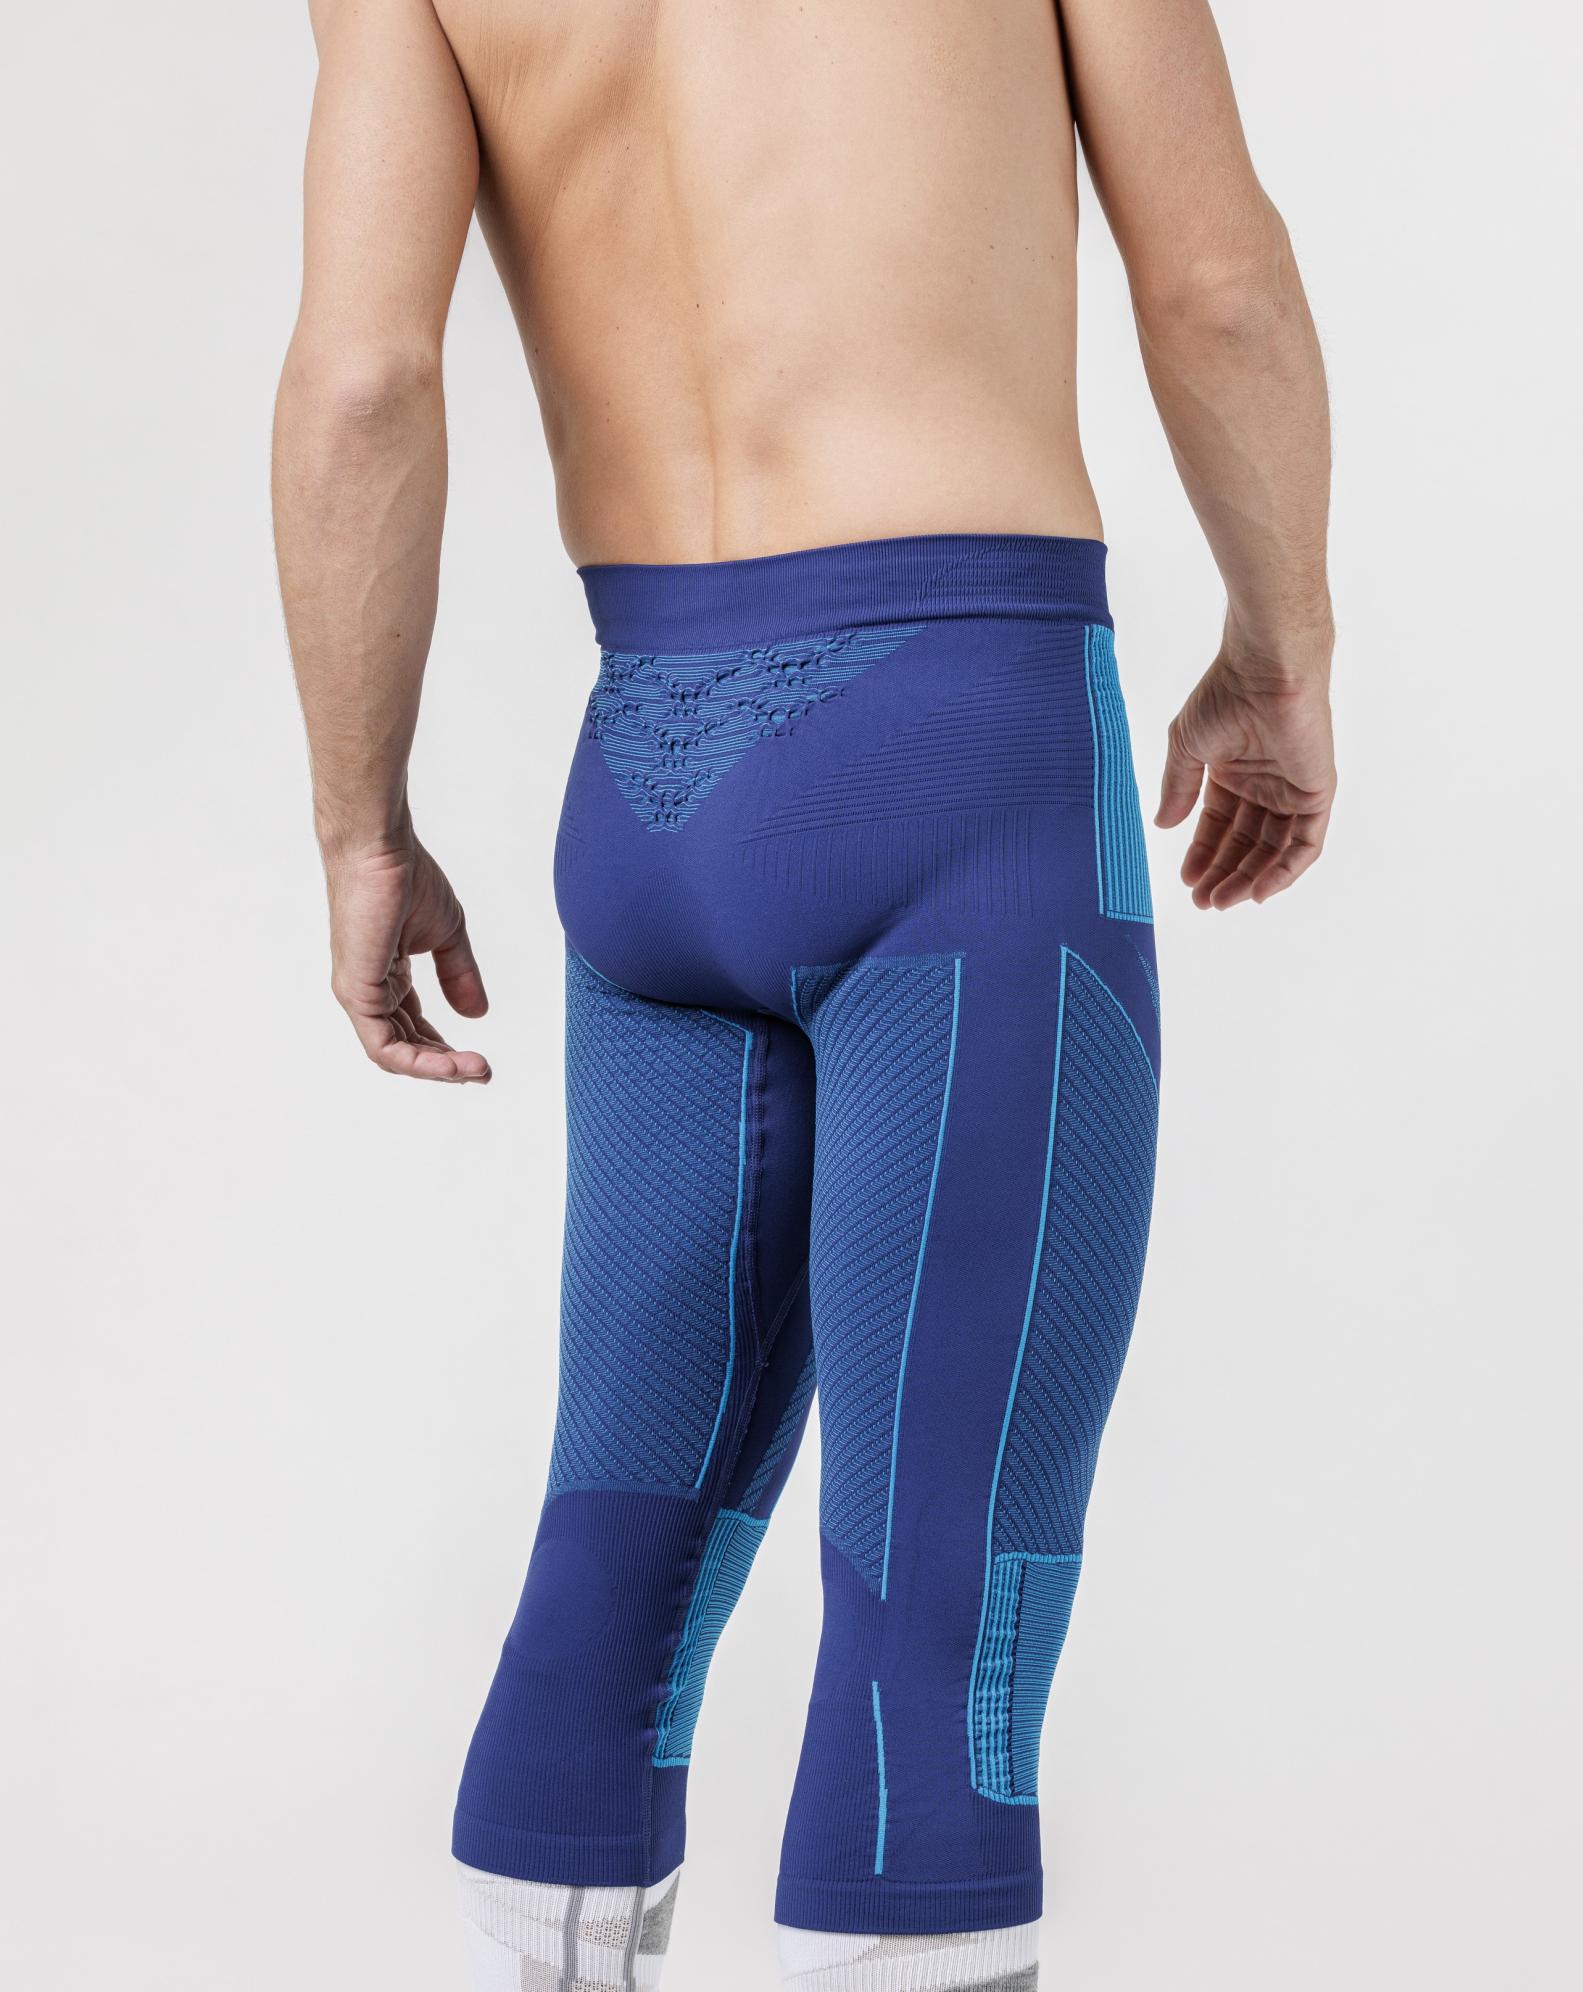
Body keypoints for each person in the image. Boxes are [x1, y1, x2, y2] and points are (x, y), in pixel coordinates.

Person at [272, 0, 1335, 1984]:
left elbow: (359, 382)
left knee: (620, 1543)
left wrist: (360, 828)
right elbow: (1215, 283)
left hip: (649, 782)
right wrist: (1282, 656)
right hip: (967, 751)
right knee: (950, 1608)